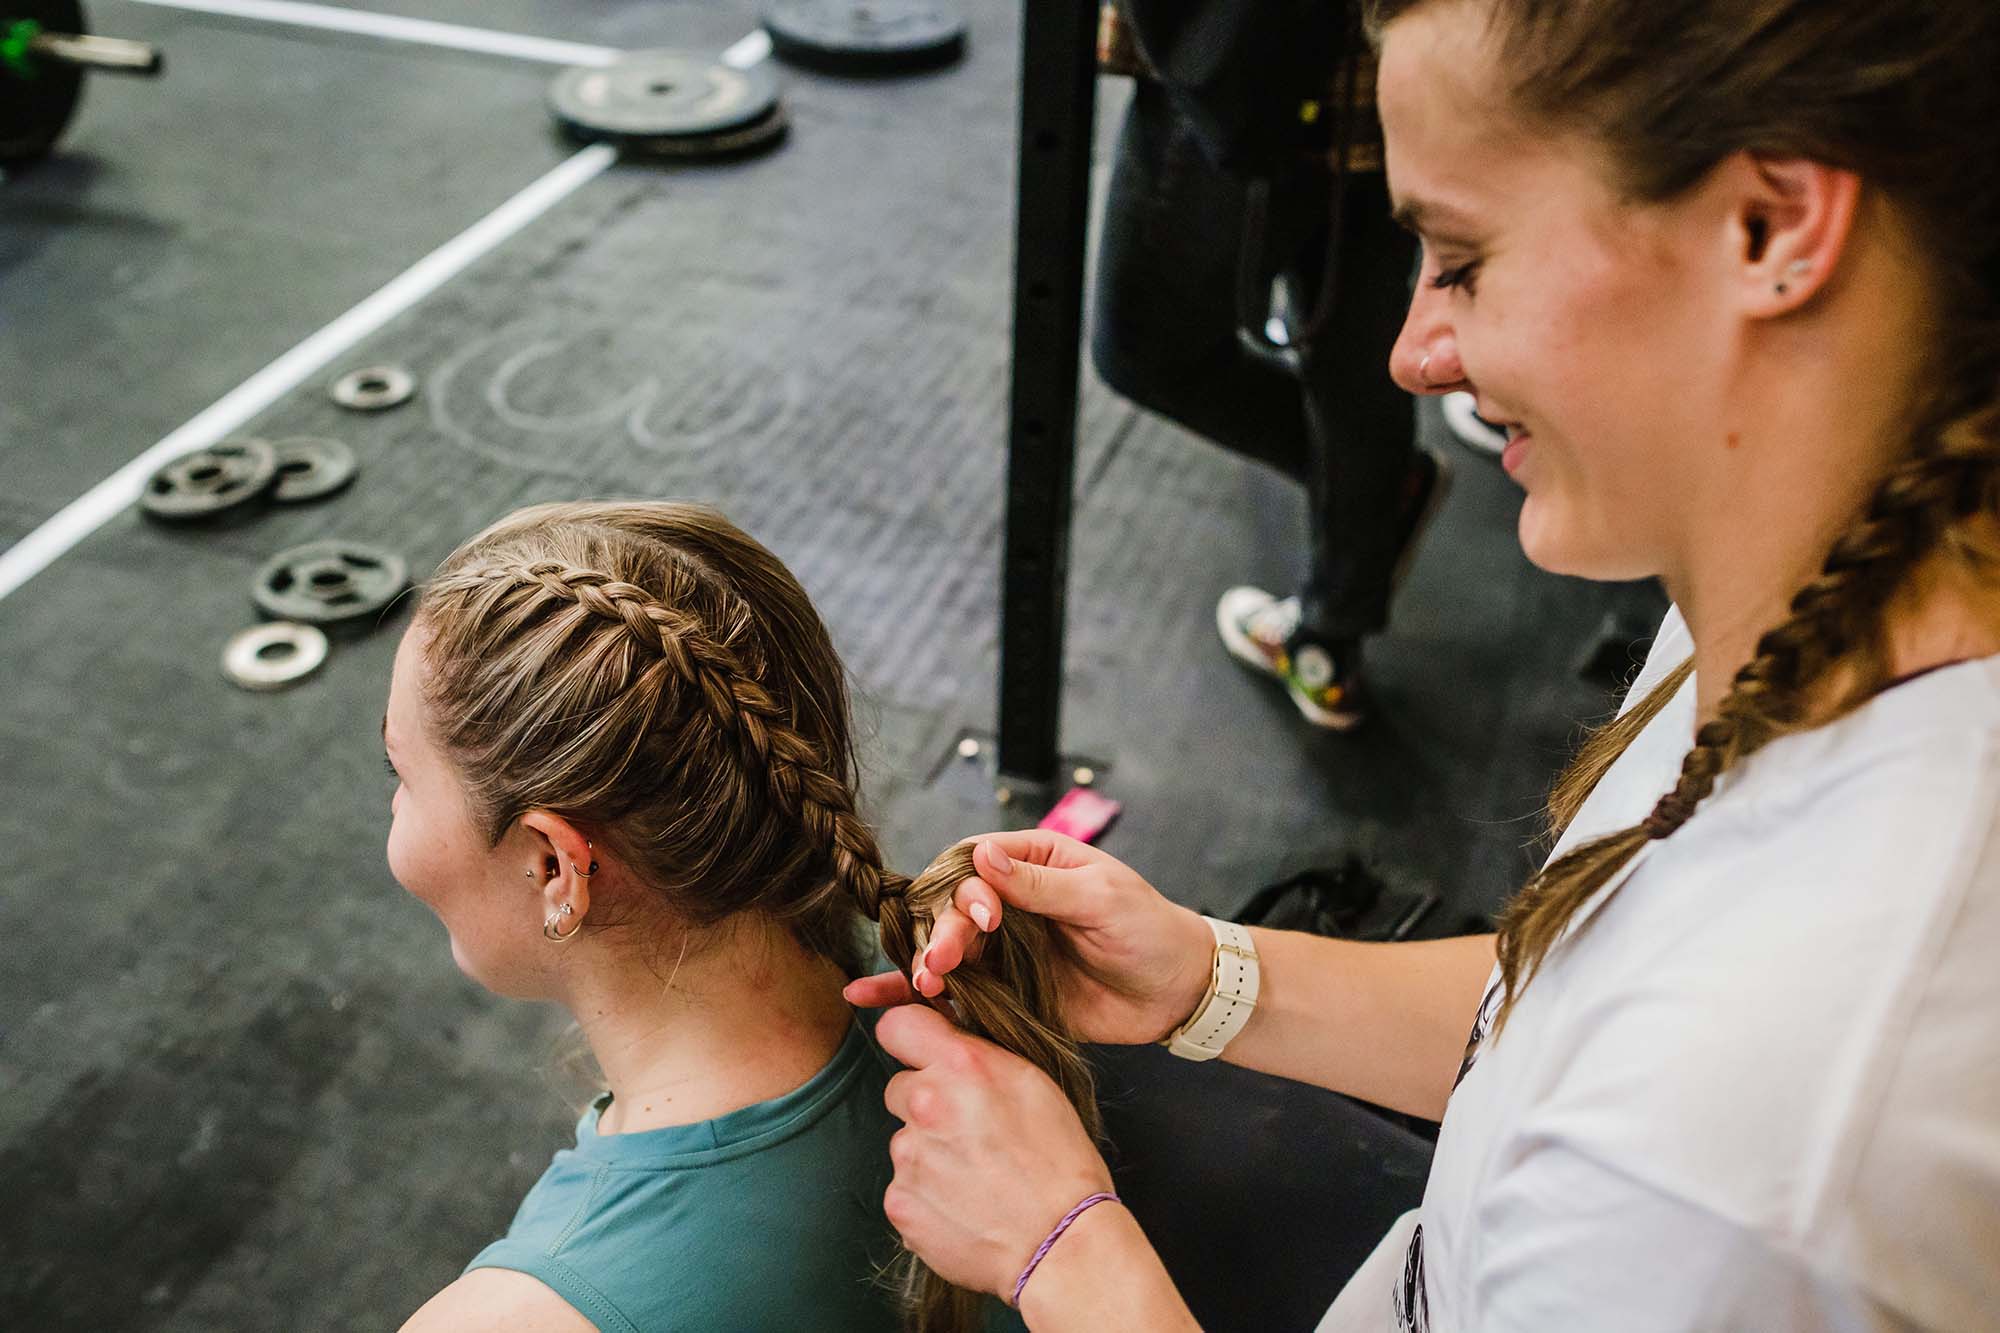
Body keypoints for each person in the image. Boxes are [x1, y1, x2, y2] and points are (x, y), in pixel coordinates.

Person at [848, 0, 2000, 1326]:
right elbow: (1562, 1014)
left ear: (1770, 227)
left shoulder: (1742, 1173)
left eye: (1461, 258)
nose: (1410, 354)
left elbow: (1642, 1100)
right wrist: (1211, 976)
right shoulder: (1827, 572)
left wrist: (1064, 1255)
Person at [382, 502, 1027, 1333]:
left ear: (554, 867)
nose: (393, 819)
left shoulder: (521, 1318)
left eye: (398, 771)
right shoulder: (972, 980)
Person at [1093, 0, 1446, 730]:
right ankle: (1338, 621)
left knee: (1140, 349)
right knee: (1360, 350)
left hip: (1248, 58)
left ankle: (1371, 510)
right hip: (1411, 68)